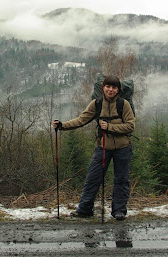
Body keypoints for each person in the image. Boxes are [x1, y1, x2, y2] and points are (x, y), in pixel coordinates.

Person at [52, 75, 135, 221]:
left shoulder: (124, 104)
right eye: (108, 86)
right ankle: (84, 209)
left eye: (114, 87)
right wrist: (62, 125)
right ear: (103, 88)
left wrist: (110, 126)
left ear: (118, 90)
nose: (110, 90)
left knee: (121, 180)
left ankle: (119, 211)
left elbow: (130, 126)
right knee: (92, 178)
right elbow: (81, 120)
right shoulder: (96, 104)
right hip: (102, 147)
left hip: (123, 147)